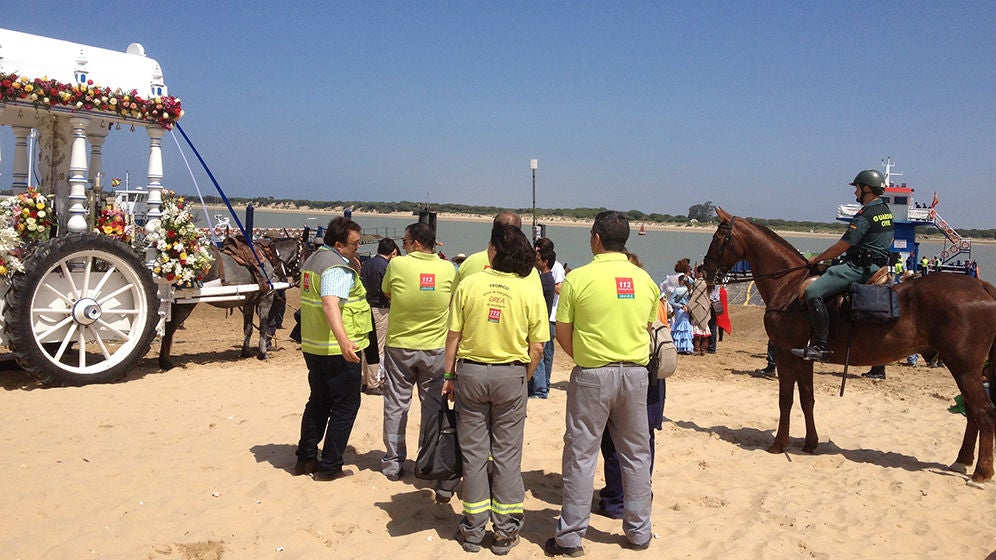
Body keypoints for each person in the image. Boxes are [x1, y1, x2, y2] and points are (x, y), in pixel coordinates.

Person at [546, 211, 659, 556]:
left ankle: (570, 536)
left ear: (596, 238)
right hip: (636, 375)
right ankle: (639, 532)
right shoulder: (645, 280)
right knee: (636, 455)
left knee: (581, 454)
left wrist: (587, 356)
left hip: (593, 373)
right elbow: (650, 328)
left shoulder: (578, 278)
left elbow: (562, 333)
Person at [442, 223, 548, 555]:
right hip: (511, 375)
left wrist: (449, 375)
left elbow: (453, 337)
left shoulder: (470, 283)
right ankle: (504, 533)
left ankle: (473, 530)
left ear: (493, 251)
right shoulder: (529, 288)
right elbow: (539, 347)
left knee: (474, 456)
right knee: (507, 456)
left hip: (471, 373)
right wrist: (524, 377)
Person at [378, 223, 458, 502]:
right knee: (433, 408)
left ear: (412, 243)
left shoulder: (397, 265)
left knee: (396, 403)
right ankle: (427, 460)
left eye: (405, 239)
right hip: (435, 347)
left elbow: (388, 293)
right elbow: (453, 300)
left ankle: (393, 461)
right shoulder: (449, 269)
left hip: (400, 344)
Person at [294, 217, 372, 481]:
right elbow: (330, 304)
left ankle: (305, 459)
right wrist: (344, 342)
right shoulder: (336, 268)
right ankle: (330, 466)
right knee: (345, 406)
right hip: (337, 349)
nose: (358, 248)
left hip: (313, 345)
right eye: (355, 244)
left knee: (318, 401)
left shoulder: (313, 260)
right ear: (339, 245)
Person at [792, 169, 894, 361]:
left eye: (857, 187)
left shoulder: (866, 214)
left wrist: (818, 258)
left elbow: (843, 245)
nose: (855, 192)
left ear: (866, 188)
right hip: (878, 265)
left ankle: (820, 346)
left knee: (813, 292)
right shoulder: (885, 211)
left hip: (859, 268)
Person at [596, 252, 666, 520]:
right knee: (643, 440)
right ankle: (640, 494)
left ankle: (616, 499)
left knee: (614, 442)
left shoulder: (616, 298)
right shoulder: (652, 293)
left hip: (628, 372)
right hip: (651, 375)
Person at [360, 237, 400, 395]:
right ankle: (373, 382)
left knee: (367, 346)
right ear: (393, 252)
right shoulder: (386, 266)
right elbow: (387, 289)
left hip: (365, 306)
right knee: (378, 348)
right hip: (380, 308)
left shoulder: (367, 263)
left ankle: (365, 380)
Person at [535, 236, 566, 395]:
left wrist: (549, 287)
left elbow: (560, 288)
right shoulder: (539, 270)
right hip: (545, 314)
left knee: (546, 353)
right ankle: (542, 384)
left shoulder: (557, 268)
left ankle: (544, 385)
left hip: (551, 315)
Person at [529, 245, 557, 399]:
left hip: (543, 321)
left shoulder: (544, 280)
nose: (536, 262)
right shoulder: (547, 279)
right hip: (546, 321)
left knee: (539, 356)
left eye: (538, 260)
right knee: (546, 356)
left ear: (545, 262)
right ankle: (543, 386)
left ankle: (539, 390)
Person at [668, 275, 694, 354]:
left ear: (681, 281)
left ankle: (678, 346)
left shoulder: (677, 290)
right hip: (687, 310)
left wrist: (680, 306)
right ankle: (686, 347)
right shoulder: (690, 290)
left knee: (678, 327)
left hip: (679, 310)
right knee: (686, 327)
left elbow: (671, 301)